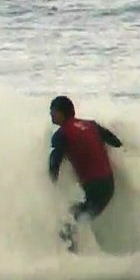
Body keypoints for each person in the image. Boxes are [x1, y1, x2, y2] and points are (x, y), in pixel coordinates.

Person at [48, 95, 123, 250]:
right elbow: (116, 142)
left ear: (60, 113)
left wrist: (50, 185)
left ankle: (71, 257)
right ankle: (81, 251)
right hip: (109, 185)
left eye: (52, 111)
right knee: (77, 216)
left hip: (96, 191)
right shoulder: (91, 125)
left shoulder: (62, 134)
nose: (50, 114)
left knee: (68, 219)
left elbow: (55, 162)